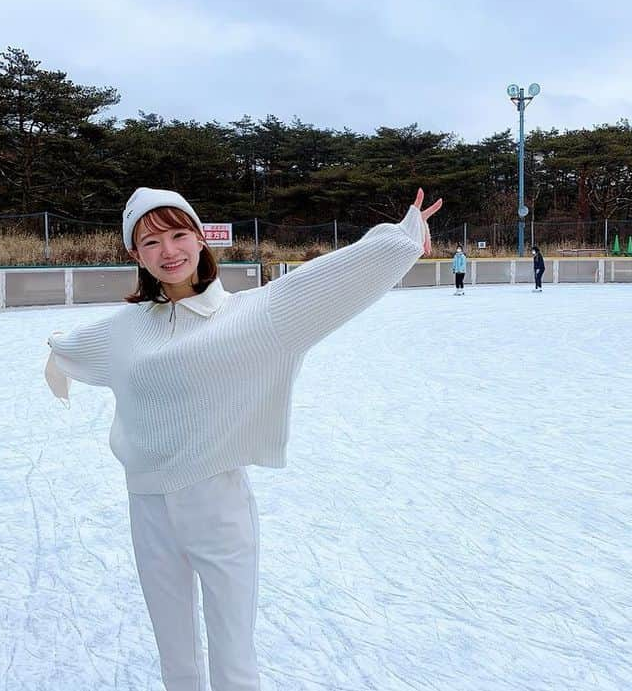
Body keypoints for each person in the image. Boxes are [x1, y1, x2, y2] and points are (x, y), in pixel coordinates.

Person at [44, 186, 442, 691]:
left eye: (178, 233)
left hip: (216, 501)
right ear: (134, 255)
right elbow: (71, 348)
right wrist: (55, 356)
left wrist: (400, 239)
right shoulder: (124, 329)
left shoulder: (256, 315)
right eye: (150, 242)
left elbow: (331, 281)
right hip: (146, 505)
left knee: (233, 654)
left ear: (199, 238)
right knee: (175, 652)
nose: (169, 251)